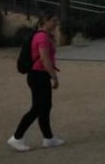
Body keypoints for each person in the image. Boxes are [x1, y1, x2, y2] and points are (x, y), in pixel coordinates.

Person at [8, 12, 65, 152]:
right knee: (38, 108)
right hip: (38, 75)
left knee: (45, 107)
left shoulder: (42, 36)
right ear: (45, 21)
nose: (56, 23)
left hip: (38, 75)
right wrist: (54, 77)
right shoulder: (42, 37)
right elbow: (45, 59)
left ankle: (49, 138)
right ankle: (16, 137)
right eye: (54, 20)